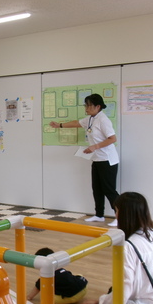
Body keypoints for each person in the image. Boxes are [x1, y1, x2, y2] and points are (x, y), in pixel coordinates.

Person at [50, 93, 119, 227]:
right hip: (97, 159)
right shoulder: (90, 119)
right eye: (86, 106)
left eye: (89, 106)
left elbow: (112, 139)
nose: (86, 108)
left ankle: (120, 216)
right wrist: (60, 125)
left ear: (98, 106)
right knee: (97, 189)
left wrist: (95, 146)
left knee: (109, 190)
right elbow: (76, 123)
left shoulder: (103, 120)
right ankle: (99, 215)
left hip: (107, 160)